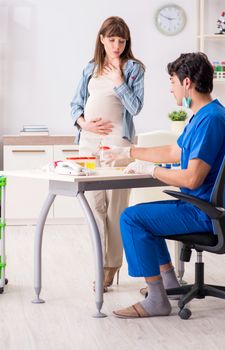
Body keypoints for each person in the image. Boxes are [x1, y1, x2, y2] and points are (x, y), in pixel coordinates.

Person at [103, 52, 225, 317]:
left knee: (132, 218)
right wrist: (130, 152)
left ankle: (156, 301)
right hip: (208, 206)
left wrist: (152, 171)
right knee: (146, 215)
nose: (170, 88)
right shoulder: (208, 114)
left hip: (206, 213)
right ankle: (168, 283)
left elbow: (191, 178)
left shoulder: (210, 120)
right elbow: (176, 151)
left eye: (172, 81)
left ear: (187, 83)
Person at [70, 16, 145, 291]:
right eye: (111, 39)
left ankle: (111, 267)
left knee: (115, 209)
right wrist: (84, 123)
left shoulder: (134, 69)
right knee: (94, 206)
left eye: (121, 40)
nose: (116, 45)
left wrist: (118, 81)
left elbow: (136, 108)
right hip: (88, 144)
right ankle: (100, 264)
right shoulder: (90, 68)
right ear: (102, 39)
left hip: (118, 147)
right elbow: (75, 105)